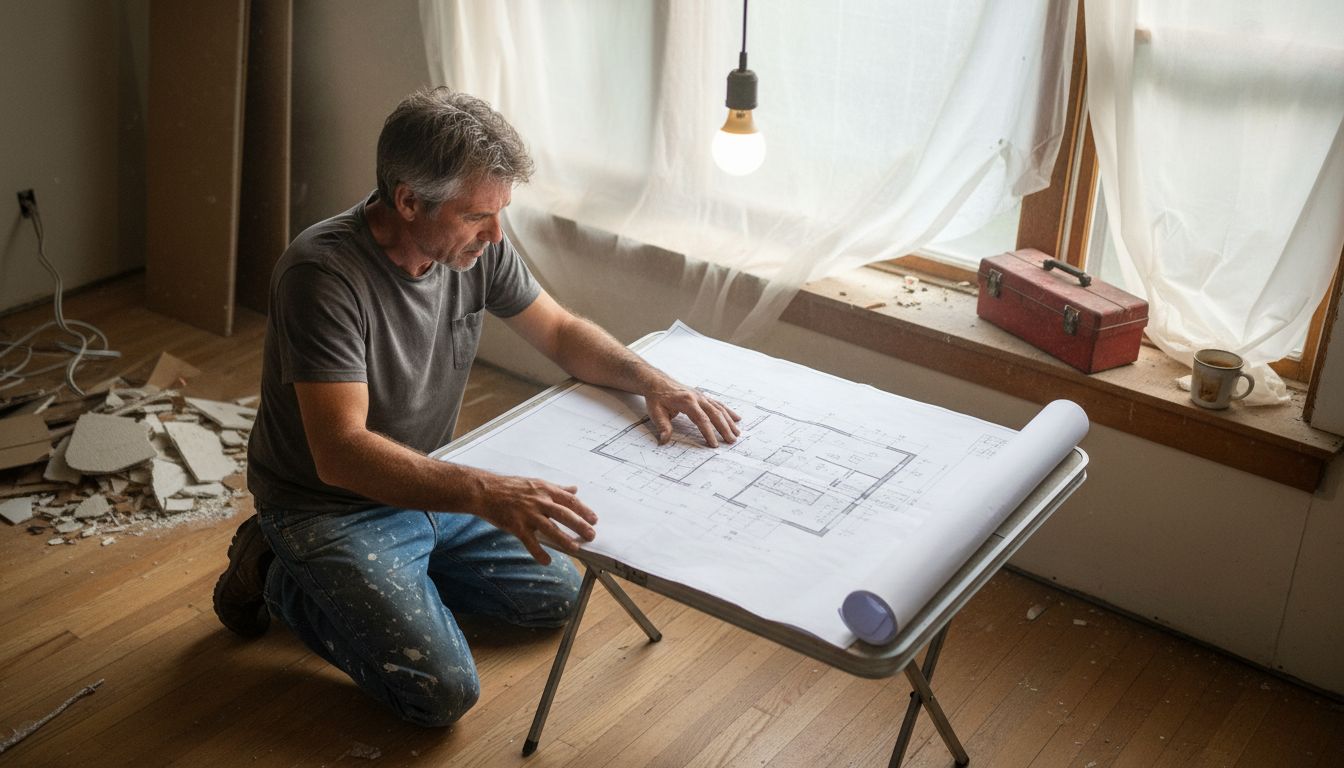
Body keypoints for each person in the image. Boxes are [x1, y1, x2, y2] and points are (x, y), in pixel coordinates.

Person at [211, 87, 741, 727]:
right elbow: (341, 452)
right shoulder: (321, 276)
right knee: (439, 694)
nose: (496, 234)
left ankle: (394, 577)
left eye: (502, 212)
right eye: (477, 216)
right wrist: (485, 491)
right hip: (330, 505)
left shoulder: (469, 247)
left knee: (559, 598)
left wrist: (652, 379)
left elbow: (561, 333)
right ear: (408, 201)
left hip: (428, 481)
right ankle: (271, 563)